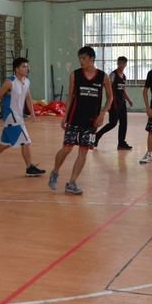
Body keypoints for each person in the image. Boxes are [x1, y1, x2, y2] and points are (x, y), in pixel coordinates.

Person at [48, 46, 113, 194]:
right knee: (67, 148)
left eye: (83, 58)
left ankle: (71, 183)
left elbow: (110, 97)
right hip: (75, 118)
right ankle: (55, 172)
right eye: (79, 58)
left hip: (91, 121)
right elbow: (70, 96)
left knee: (83, 153)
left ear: (92, 59)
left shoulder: (103, 77)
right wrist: (65, 116)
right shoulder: (75, 75)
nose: (81, 61)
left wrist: (102, 114)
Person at [0, 57, 45, 177]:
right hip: (11, 117)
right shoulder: (10, 83)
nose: (26, 69)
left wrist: (32, 112)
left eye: (27, 67)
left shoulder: (27, 81)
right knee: (25, 141)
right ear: (16, 69)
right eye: (23, 67)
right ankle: (29, 168)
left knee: (5, 144)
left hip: (19, 118)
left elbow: (28, 97)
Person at [95, 56, 135, 150]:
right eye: (119, 63)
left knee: (124, 123)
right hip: (114, 103)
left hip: (122, 103)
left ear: (126, 64)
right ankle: (97, 136)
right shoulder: (113, 75)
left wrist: (129, 100)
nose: (121, 65)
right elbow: (108, 89)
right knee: (112, 123)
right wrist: (108, 103)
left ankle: (121, 143)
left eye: (123, 63)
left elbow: (123, 90)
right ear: (117, 63)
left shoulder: (124, 76)